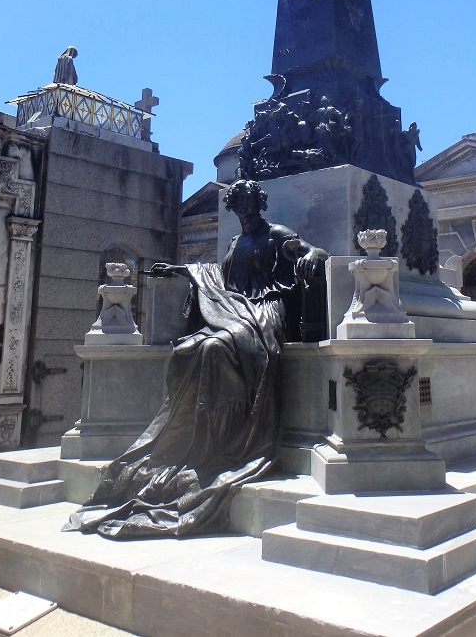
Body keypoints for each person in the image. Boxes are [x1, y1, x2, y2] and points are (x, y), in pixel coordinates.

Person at [63, 179, 327, 540]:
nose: (244, 211)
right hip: (235, 309)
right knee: (190, 349)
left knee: (217, 347)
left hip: (265, 311)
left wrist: (314, 255)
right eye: (238, 205)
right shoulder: (235, 243)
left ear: (259, 205)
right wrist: (180, 269)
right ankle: (200, 435)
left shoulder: (276, 234)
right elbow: (217, 277)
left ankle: (226, 437)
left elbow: (313, 252)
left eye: (249, 204)